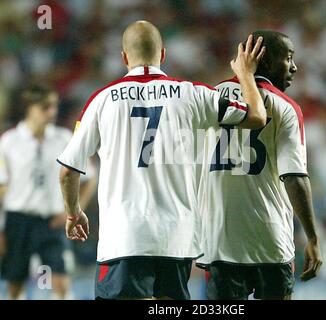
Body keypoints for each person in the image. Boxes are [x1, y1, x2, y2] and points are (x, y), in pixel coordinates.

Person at [57, 20, 267, 300]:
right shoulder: (194, 93)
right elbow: (256, 117)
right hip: (177, 238)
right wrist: (245, 74)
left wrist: (73, 213)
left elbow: (68, 171)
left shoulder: (102, 100)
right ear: (163, 54)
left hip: (124, 237)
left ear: (124, 57)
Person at [197, 30, 323, 300]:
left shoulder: (209, 97)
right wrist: (312, 238)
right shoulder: (285, 107)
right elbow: (295, 177)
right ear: (264, 60)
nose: (295, 66)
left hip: (220, 241)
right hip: (270, 240)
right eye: (288, 58)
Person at [0, 85, 97, 300]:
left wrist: (73, 209)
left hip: (53, 222)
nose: (52, 112)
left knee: (61, 283)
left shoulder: (64, 138)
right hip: (18, 221)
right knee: (15, 287)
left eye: (54, 106)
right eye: (45, 107)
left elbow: (90, 177)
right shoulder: (9, 141)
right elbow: (1, 187)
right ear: (30, 108)